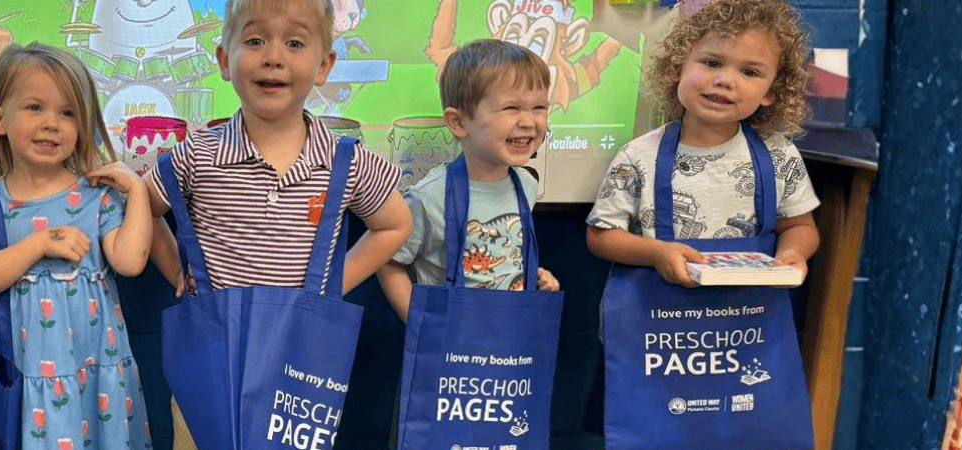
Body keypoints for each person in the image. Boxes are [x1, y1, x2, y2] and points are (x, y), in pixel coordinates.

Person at [140, 0, 410, 446]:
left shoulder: (346, 161)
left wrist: (329, 289)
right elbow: (144, 208)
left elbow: (394, 224)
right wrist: (179, 276)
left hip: (299, 363)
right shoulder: (199, 154)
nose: (273, 56)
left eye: (295, 42)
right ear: (225, 61)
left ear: (324, 65)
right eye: (254, 40)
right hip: (210, 360)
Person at [587, 1, 821, 449]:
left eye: (750, 72)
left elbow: (801, 226)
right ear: (678, 67)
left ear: (772, 91)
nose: (725, 80)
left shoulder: (778, 155)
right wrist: (656, 253)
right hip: (654, 343)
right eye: (711, 62)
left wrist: (794, 254)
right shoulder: (639, 157)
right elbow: (600, 235)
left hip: (741, 339)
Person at [0, 43, 155, 450]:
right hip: (29, 380)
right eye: (35, 108)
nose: (52, 123)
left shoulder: (95, 197)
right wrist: (40, 243)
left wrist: (136, 190)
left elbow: (130, 261)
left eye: (67, 113)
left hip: (97, 375)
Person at [376, 38, 563, 322]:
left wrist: (535, 276)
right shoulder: (429, 197)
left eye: (539, 107)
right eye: (512, 108)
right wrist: (420, 322)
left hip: (509, 342)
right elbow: (389, 264)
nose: (529, 122)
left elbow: (506, 256)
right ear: (459, 123)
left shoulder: (527, 185)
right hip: (450, 352)